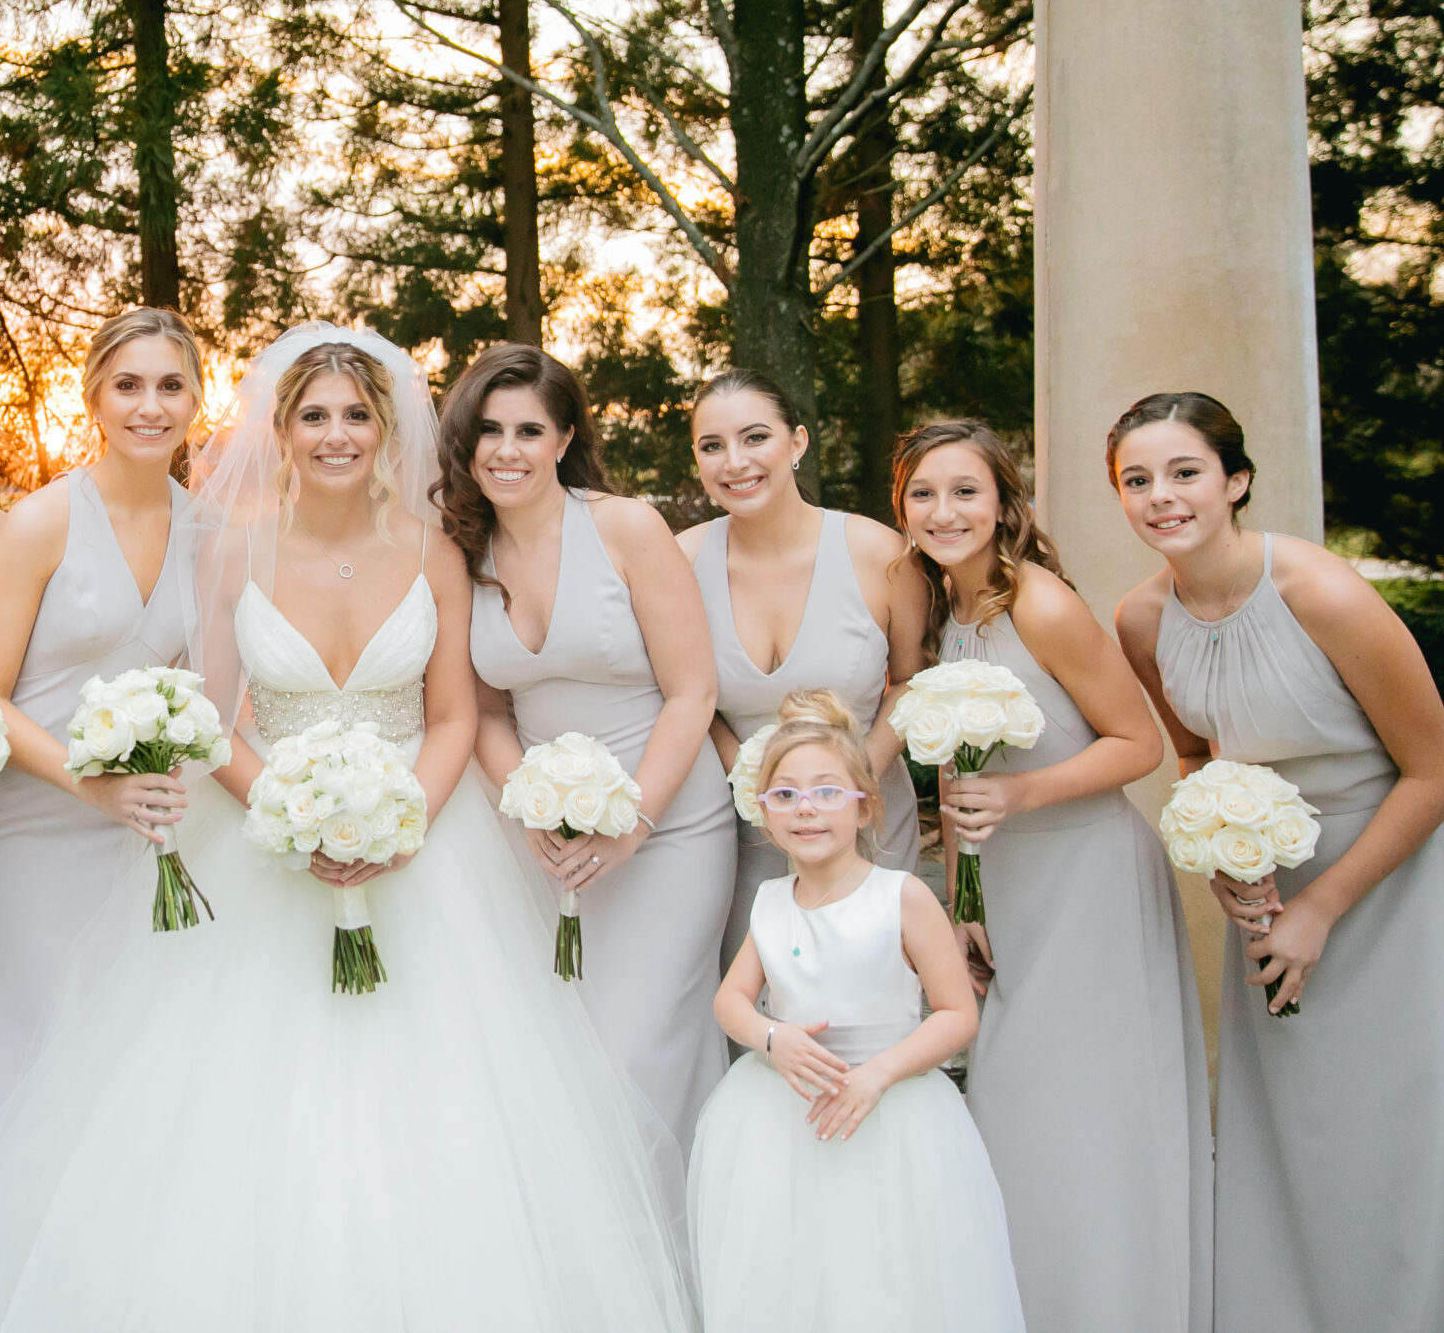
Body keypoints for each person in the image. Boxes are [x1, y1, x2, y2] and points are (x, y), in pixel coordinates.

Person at [0, 324, 695, 1333]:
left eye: (356, 417)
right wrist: (287, 819)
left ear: (386, 429)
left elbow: (460, 711)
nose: (337, 436)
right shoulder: (229, 545)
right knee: (229, 1116)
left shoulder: (436, 552)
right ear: (280, 430)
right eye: (315, 416)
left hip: (424, 850)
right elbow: (211, 711)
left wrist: (400, 823)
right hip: (261, 846)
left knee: (435, 1111)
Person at [1110, 391, 1444, 1333]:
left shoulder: (1321, 591)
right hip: (1276, 888)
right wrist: (1230, 852)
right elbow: (1197, 754)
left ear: (1235, 481)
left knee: (1411, 1120)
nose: (1161, 497)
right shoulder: (1140, 619)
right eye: (1136, 480)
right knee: (1304, 1129)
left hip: (1400, 871)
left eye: (1184, 472)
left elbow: (1440, 772)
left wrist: (1324, 907)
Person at [895, 418, 1209, 1333]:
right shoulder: (941, 611)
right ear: (903, 509)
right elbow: (955, 775)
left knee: (1084, 1114)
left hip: (1089, 880)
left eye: (965, 491)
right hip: (1007, 891)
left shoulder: (1038, 602)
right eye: (924, 493)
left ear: (1003, 504)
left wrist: (1022, 799)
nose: (945, 511)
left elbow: (1140, 744)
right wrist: (960, 900)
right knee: (1009, 1108)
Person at [0, 306, 202, 1170]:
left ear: (199, 398)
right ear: (93, 397)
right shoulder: (43, 521)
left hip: (142, 834)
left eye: (170, 385)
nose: (149, 406)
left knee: (121, 1064)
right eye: (128, 385)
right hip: (29, 827)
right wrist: (93, 786)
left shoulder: (209, 530)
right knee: (27, 1057)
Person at [455, 344, 734, 1146]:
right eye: (490, 430)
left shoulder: (626, 527)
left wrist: (634, 819)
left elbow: (694, 692)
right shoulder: (463, 551)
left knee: (640, 1049)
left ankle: (682, 1254)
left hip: (670, 827)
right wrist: (532, 810)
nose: (508, 451)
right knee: (561, 1056)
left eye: (530, 430)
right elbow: (487, 711)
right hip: (545, 839)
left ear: (566, 439)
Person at [688, 690, 1024, 1333]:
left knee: (888, 1277)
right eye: (784, 795)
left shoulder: (901, 898)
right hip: (783, 1114)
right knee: (793, 1274)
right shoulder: (769, 902)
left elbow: (957, 1014)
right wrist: (771, 1036)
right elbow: (730, 1000)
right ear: (762, 812)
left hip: (891, 1113)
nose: (805, 809)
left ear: (865, 803)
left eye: (826, 792)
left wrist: (876, 1075)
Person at [677, 368, 919, 973]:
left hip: (868, 815)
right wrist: (751, 779)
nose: (735, 462)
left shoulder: (878, 552)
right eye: (712, 446)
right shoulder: (681, 560)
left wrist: (850, 780)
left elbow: (911, 682)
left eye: (755, 437)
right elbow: (684, 695)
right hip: (744, 830)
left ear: (798, 443)